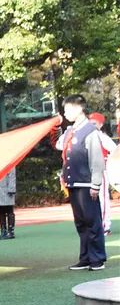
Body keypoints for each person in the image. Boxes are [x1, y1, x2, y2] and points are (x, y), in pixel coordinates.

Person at [56, 96, 107, 270]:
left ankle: (97, 258)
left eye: (68, 109)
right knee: (81, 222)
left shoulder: (90, 131)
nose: (65, 113)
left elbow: (96, 160)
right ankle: (85, 257)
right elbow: (61, 148)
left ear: (79, 109)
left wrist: (95, 184)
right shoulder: (71, 130)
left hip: (86, 183)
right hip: (74, 181)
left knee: (92, 221)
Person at [88, 113, 116, 236]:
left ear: (101, 124)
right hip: (88, 171)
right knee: (90, 200)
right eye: (90, 123)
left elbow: (115, 151)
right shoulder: (86, 136)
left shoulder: (102, 137)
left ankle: (105, 226)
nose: (91, 125)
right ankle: (94, 225)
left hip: (101, 171)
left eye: (94, 123)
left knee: (102, 198)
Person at [0, 168, 17, 240]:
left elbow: (12, 174)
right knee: (1, 212)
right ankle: (3, 231)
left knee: (9, 210)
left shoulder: (9, 161)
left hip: (7, 188)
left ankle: (11, 231)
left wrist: (11, 188)